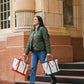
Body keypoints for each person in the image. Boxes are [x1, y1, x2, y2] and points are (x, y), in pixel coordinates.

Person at [23, 16, 57, 84]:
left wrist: (48, 52)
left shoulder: (42, 29)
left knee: (46, 66)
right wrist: (25, 53)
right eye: (33, 19)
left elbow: (46, 41)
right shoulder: (32, 31)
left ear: (39, 21)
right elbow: (29, 42)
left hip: (42, 52)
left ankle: (53, 77)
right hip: (34, 53)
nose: (34, 20)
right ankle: (31, 83)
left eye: (35, 19)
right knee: (33, 68)